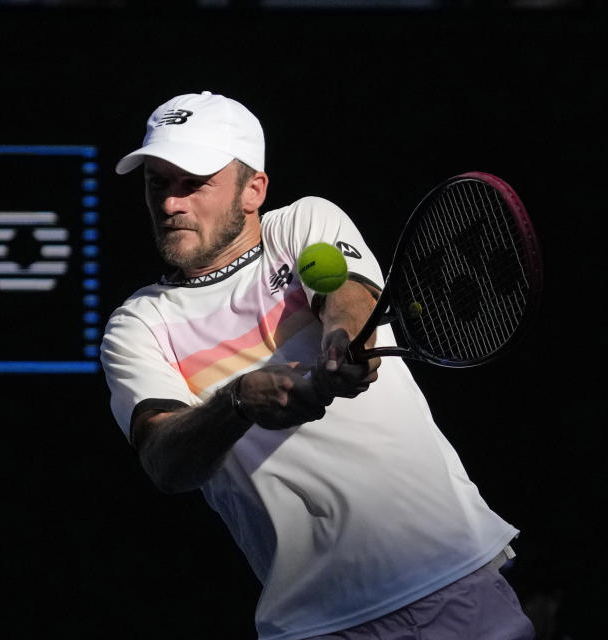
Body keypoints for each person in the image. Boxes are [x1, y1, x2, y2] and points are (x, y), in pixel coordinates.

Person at [100, 90, 535, 640]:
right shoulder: (138, 324)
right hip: (315, 623)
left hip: (448, 576)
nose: (170, 204)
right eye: (158, 184)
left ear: (253, 189)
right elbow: (165, 462)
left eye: (195, 183)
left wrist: (339, 349)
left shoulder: (303, 224)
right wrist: (237, 402)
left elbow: (349, 301)